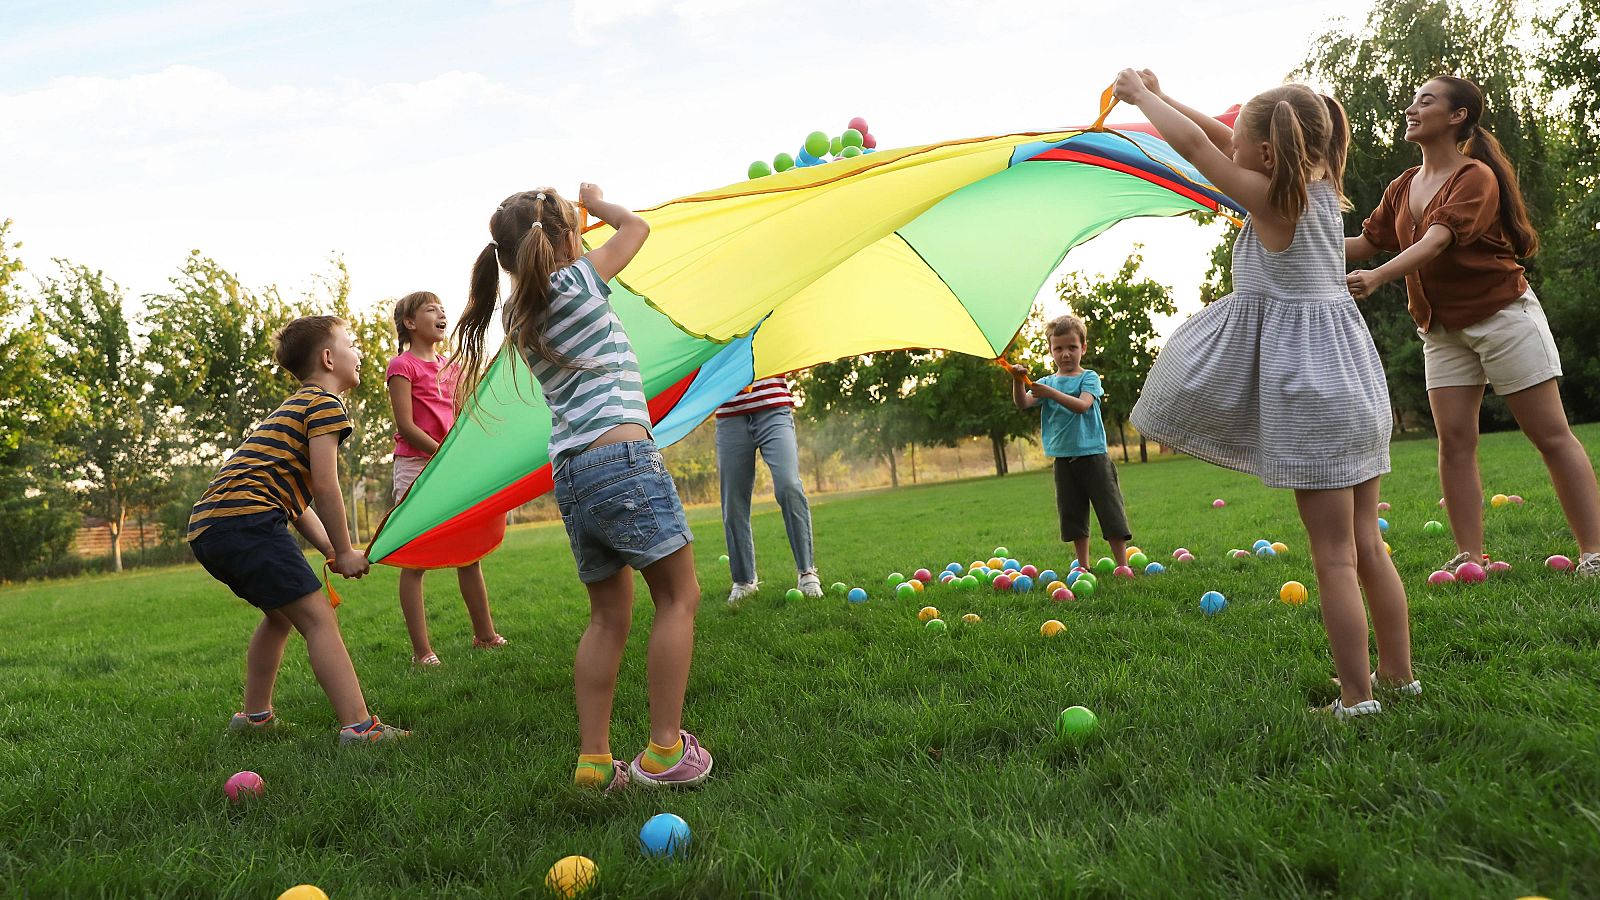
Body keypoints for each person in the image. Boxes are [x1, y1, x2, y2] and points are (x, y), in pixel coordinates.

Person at [1116, 69, 1416, 718]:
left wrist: (1140, 101)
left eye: (1242, 147)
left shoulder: (1274, 204)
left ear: (1269, 155)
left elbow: (1198, 149)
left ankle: (1358, 699)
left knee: (1334, 556)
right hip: (1356, 386)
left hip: (1316, 397)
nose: (1231, 151)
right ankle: (1398, 676)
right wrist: (1163, 95)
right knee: (1366, 545)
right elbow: (1221, 137)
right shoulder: (1319, 185)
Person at [451, 185, 711, 790]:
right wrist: (601, 203)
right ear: (567, 241)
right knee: (678, 598)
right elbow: (638, 228)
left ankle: (595, 762)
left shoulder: (521, 313)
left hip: (571, 475)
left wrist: (572, 226)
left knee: (606, 618)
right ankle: (666, 751)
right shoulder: (577, 282)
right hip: (621, 457)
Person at [1346, 75, 1600, 578]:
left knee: (1549, 433)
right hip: (1440, 329)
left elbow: (1438, 239)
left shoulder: (1474, 176)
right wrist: (1288, 234)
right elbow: (1361, 243)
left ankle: (1595, 551)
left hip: (1501, 315)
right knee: (1455, 441)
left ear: (1457, 116)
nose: (1412, 108)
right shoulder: (1402, 187)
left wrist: (1378, 277)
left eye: (1426, 100)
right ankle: (1468, 554)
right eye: (1413, 100)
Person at [187, 315, 410, 744]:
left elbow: (294, 501)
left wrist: (328, 546)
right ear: (328, 358)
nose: (358, 352)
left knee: (278, 615)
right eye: (351, 343)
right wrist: (345, 551)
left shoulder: (292, 408)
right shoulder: (325, 405)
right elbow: (326, 485)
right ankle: (361, 729)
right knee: (318, 619)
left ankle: (254, 718)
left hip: (211, 527)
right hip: (247, 520)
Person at [385, 290, 505, 667]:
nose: (441, 314)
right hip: (418, 466)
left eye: (442, 309)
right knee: (415, 559)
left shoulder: (450, 367)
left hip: (449, 465)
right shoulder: (401, 366)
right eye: (430, 309)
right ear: (409, 323)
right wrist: (442, 455)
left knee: (468, 554)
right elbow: (405, 423)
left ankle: (484, 636)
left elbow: (463, 414)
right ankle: (423, 652)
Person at [1009, 314, 1131, 571]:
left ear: (1083, 348)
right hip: (1063, 460)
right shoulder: (1044, 382)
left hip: (1093, 456)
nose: (1065, 354)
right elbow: (1023, 403)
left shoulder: (1089, 378)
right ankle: (1083, 566)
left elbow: (1082, 405)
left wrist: (1051, 393)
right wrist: (1018, 382)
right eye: (1059, 348)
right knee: (1073, 516)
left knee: (1110, 512)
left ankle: (1122, 565)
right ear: (1051, 350)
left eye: (1072, 347)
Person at [716, 375, 824, 605]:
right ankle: (744, 580)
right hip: (729, 415)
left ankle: (807, 573)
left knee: (789, 486)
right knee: (732, 501)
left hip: (773, 408)